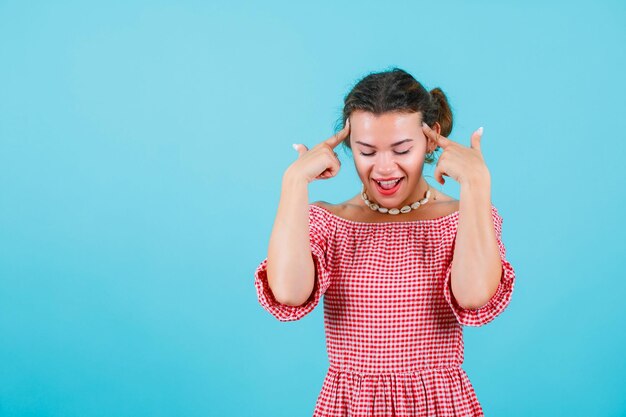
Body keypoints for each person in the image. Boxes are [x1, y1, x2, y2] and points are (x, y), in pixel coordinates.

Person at [253, 67, 516, 417]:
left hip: (438, 405)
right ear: (349, 147)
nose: (384, 168)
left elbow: (474, 297)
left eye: (401, 149)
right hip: (351, 405)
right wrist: (293, 182)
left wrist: (477, 185)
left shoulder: (462, 217)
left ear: (432, 139)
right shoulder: (330, 222)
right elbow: (287, 293)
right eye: (367, 151)